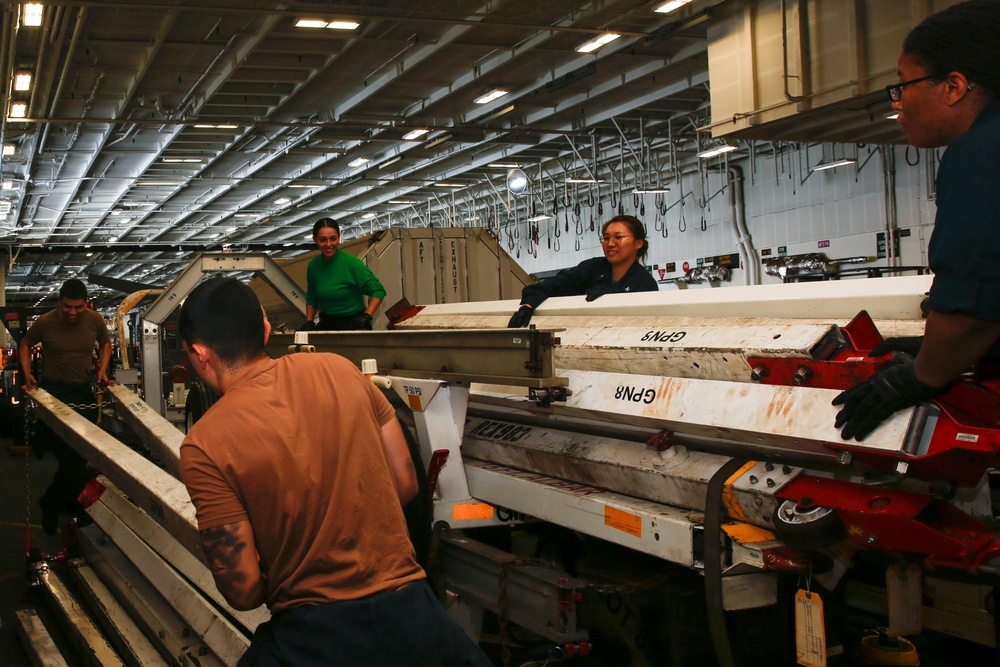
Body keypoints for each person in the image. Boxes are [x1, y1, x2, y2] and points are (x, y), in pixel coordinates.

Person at [178, 278, 491, 667]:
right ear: (265, 331)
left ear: (200, 354)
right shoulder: (341, 371)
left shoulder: (203, 444)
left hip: (315, 635)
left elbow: (243, 591)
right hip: (413, 612)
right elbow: (406, 484)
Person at [834, 0, 1000, 441]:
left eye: (903, 85)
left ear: (954, 85)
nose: (899, 103)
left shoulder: (981, 154)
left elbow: (975, 304)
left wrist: (923, 374)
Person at [19, 278, 111, 535]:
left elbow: (105, 343)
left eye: (78, 307)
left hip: (82, 392)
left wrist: (102, 370)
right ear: (59, 302)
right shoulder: (46, 322)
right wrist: (27, 374)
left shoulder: (95, 320)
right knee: (67, 456)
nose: (72, 312)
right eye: (67, 307)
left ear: (85, 304)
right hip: (54, 394)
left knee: (81, 456)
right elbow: (25, 343)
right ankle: (80, 511)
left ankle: (50, 502)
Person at [508, 214, 658, 327]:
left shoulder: (645, 284)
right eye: (606, 238)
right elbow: (550, 286)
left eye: (618, 237)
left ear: (638, 243)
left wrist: (611, 299)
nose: (610, 244)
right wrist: (528, 306)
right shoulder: (591, 268)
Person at [304, 218, 386, 330]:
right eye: (322, 240)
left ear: (339, 237)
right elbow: (312, 298)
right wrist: (309, 321)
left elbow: (378, 291)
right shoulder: (313, 266)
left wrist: (366, 316)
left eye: (333, 239)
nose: (328, 244)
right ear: (315, 240)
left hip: (355, 324)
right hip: (328, 324)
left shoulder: (351, 263)